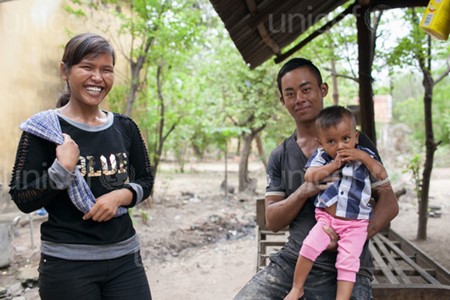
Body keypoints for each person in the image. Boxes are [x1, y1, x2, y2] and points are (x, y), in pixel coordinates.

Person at [234, 58, 399, 300]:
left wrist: (353, 237)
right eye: (290, 93)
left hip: (348, 265)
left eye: (306, 89)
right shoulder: (280, 155)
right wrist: (304, 190)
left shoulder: (355, 143)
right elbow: (273, 220)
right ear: (283, 101)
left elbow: (390, 203)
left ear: (322, 90)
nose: (299, 98)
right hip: (295, 261)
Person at [9, 32, 153, 300]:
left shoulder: (125, 127)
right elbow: (22, 197)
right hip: (67, 265)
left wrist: (122, 195)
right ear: (65, 71)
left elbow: (146, 180)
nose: (97, 77)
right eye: (87, 67)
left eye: (106, 70)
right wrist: (60, 170)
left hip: (126, 260)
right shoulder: (43, 131)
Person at [284, 106, 390, 300]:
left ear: (355, 137)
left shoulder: (364, 155)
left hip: (356, 225)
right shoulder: (322, 157)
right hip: (327, 221)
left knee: (348, 263)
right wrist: (332, 166)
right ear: (321, 143)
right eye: (331, 141)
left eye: (345, 139)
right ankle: (297, 288)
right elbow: (309, 176)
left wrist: (364, 158)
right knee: (308, 247)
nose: (340, 146)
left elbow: (381, 174)